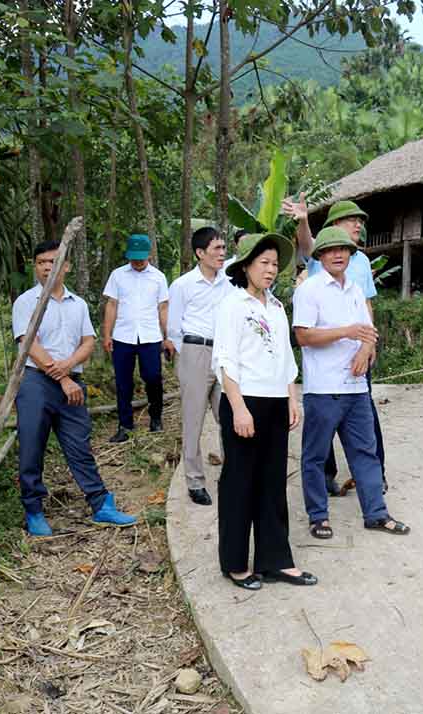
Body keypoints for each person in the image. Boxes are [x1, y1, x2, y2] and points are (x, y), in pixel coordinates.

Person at [212, 232, 316, 590]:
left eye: (275, 264)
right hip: (245, 402)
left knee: (273, 483)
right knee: (240, 482)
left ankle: (275, 560)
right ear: (246, 266)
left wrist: (291, 397)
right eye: (264, 263)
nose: (271, 270)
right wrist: (239, 408)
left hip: (275, 403)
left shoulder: (276, 307)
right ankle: (235, 563)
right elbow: (224, 361)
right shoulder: (232, 305)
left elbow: (286, 358)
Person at [13, 240, 137, 536]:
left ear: (66, 266)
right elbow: (28, 343)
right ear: (35, 267)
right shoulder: (26, 302)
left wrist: (69, 367)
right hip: (35, 383)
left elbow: (89, 342)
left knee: (79, 445)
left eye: (53, 261)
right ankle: (34, 510)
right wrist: (63, 377)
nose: (46, 267)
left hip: (71, 382)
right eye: (41, 262)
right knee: (32, 445)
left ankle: (101, 504)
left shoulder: (78, 303)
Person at [292, 226, 409, 540]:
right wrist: (346, 332)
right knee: (315, 456)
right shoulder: (310, 289)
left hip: (356, 388)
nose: (337, 255)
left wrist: (366, 350)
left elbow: (368, 331)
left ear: (350, 254)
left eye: (343, 250)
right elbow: (302, 335)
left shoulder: (355, 289)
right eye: (330, 250)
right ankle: (318, 517)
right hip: (324, 389)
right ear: (320, 256)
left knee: (365, 453)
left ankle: (376, 513)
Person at [283, 196, 386, 498]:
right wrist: (303, 220)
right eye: (351, 219)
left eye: (360, 221)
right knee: (323, 422)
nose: (357, 224)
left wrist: (369, 345)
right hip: (325, 358)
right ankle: (326, 477)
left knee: (365, 413)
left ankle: (374, 475)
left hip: (358, 352)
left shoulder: (362, 261)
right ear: (332, 227)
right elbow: (305, 245)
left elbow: (366, 302)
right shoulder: (324, 252)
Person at [166, 227, 233, 506]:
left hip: (225, 353)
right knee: (193, 420)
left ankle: (233, 474)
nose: (222, 253)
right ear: (200, 253)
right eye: (216, 249)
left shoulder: (229, 281)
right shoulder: (183, 285)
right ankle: (194, 481)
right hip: (195, 351)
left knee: (228, 415)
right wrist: (189, 357)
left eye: (223, 248)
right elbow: (173, 328)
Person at [101, 234, 170, 443]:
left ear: (149, 254)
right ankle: (125, 425)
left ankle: (156, 418)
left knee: (153, 377)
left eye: (141, 257)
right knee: (123, 382)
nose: (138, 262)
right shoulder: (118, 275)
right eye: (134, 258)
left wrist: (168, 336)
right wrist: (107, 334)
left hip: (150, 336)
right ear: (128, 256)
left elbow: (163, 308)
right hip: (123, 336)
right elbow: (111, 305)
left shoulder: (158, 277)